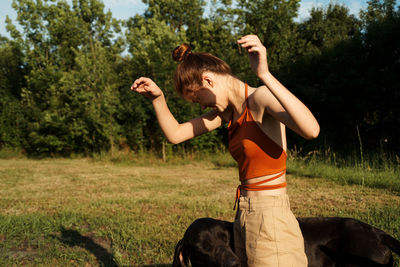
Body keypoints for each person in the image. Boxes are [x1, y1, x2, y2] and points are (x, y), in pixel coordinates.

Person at [131, 35, 319, 267]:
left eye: (198, 99)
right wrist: (158, 99)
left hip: (270, 218)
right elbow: (176, 135)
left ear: (208, 80)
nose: (202, 107)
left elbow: (311, 130)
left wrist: (265, 75)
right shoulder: (228, 114)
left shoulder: (259, 98)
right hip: (243, 216)